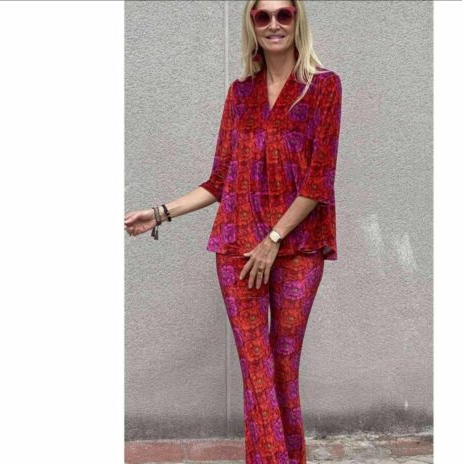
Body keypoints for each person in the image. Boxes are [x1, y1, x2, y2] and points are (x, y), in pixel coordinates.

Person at [124, 1, 342, 462]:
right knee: (257, 374)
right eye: (263, 16)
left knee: (284, 370)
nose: (274, 24)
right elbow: (220, 180)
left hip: (298, 249)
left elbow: (318, 181)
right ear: (252, 25)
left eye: (283, 14)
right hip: (237, 248)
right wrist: (160, 213)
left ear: (297, 21)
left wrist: (273, 240)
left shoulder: (322, 88)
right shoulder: (240, 94)